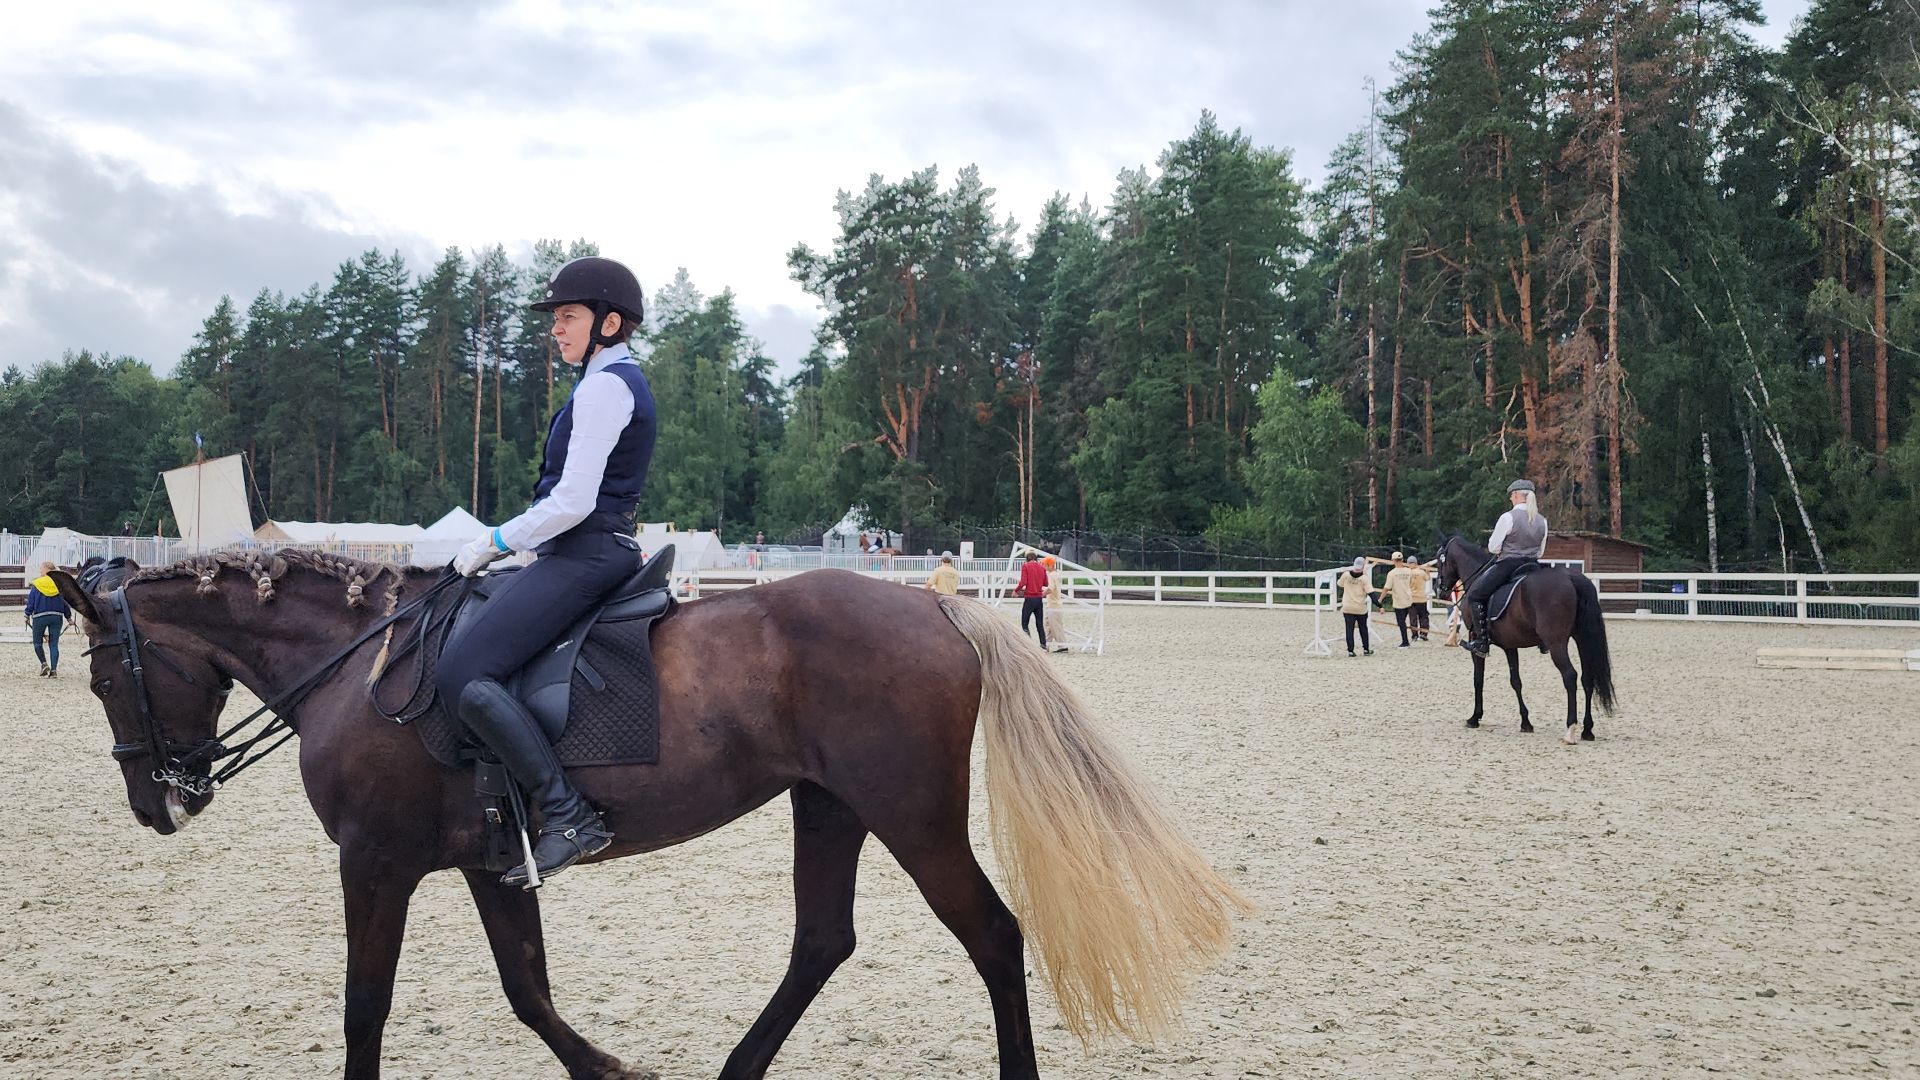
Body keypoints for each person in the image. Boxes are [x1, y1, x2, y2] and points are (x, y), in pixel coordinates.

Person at [437, 256, 657, 889]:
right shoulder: (604, 380)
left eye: (569, 317)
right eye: (555, 318)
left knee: (462, 670)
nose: (556, 330)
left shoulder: (605, 387)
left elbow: (571, 502)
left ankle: (568, 814)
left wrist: (496, 541)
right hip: (578, 549)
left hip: (587, 549)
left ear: (610, 322)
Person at [1464, 478, 1549, 655]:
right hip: (1533, 565)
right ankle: (1544, 639)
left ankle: (1482, 641)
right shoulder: (1542, 521)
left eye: (1511, 495)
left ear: (1517, 495)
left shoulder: (1508, 517)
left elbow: (1493, 547)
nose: (1510, 498)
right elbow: (1540, 552)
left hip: (1509, 564)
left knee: (1476, 596)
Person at [25, 561, 73, 677]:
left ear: (46, 569)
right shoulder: (58, 584)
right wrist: (69, 618)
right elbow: (64, 601)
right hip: (56, 616)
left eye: (41, 568)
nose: (40, 571)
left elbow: (31, 602)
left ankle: (44, 663)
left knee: (37, 643)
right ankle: (54, 670)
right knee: (53, 644)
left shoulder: (37, 584)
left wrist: (27, 615)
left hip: (39, 617)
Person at [1378, 551, 1416, 648]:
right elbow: (1411, 583)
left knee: (1401, 622)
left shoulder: (1392, 573)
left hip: (1399, 601)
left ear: (1393, 560)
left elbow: (1387, 588)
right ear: (1402, 560)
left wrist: (1380, 599)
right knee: (1405, 620)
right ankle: (1409, 638)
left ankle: (1405, 641)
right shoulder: (1408, 571)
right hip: (1408, 599)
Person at [1337, 556, 1373, 656]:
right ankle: (1366, 649)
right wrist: (1379, 605)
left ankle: (1350, 651)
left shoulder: (1346, 575)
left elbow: (1340, 584)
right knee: (1363, 628)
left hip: (1348, 606)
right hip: (1360, 607)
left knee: (1349, 629)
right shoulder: (1364, 578)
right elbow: (1371, 593)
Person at [1015, 551, 1050, 651]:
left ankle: (1028, 644)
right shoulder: (1042, 568)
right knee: (1039, 623)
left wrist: (1016, 590)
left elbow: (1023, 582)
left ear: (1027, 558)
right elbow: (1046, 583)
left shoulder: (1025, 566)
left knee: (1024, 623)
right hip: (1039, 599)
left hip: (1029, 598)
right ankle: (1043, 644)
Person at [1405, 553, 1434, 641]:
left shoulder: (1407, 573)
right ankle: (1423, 633)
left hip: (1411, 599)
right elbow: (1428, 578)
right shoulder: (1421, 572)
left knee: (1412, 617)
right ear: (1416, 563)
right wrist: (1428, 570)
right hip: (1421, 598)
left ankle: (1414, 635)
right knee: (1423, 617)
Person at [1042, 555, 1067, 653]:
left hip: (1053, 604)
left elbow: (1050, 589)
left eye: (1045, 564)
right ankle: (1045, 645)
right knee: (1048, 625)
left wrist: (1042, 594)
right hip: (1053, 604)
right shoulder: (1056, 574)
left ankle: (1062, 645)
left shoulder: (1051, 575)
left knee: (1055, 626)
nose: (1044, 566)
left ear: (1049, 565)